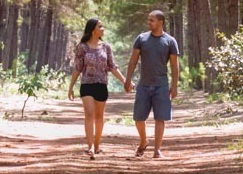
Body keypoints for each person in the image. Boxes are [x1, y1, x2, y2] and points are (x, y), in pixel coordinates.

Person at [123, 9, 180, 159]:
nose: (148, 23)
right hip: (143, 85)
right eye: (148, 20)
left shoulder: (170, 41)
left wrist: (175, 86)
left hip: (161, 85)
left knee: (160, 118)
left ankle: (157, 150)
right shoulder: (141, 39)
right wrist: (127, 80)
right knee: (138, 118)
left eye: (151, 20)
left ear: (160, 22)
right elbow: (133, 61)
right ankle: (143, 141)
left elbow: (174, 66)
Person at [67, 17, 126, 159]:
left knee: (99, 117)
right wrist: (71, 87)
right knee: (89, 114)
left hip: (101, 85)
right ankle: (90, 146)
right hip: (87, 85)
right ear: (93, 30)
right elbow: (78, 68)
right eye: (100, 26)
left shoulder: (106, 47)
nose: (103, 29)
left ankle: (97, 145)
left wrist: (125, 81)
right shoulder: (82, 47)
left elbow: (112, 66)